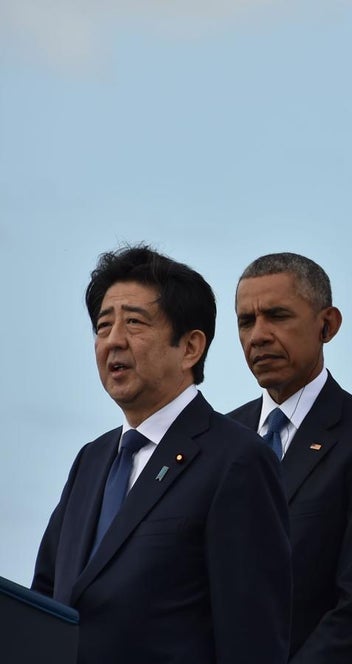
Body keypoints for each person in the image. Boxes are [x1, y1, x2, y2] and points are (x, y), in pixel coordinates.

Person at [33, 245, 292, 664]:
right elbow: (43, 601)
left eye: (134, 322)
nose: (113, 340)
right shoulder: (91, 459)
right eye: (103, 326)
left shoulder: (237, 460)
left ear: (190, 347)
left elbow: (252, 639)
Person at [229, 252, 352, 664]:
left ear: (327, 325)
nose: (258, 335)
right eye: (246, 321)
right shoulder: (215, 440)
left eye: (277, 316)